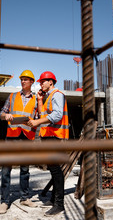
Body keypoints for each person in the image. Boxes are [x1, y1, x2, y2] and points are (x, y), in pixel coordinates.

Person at [27, 71, 69, 217]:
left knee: (56, 170)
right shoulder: (48, 97)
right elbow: (43, 114)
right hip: (48, 136)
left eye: (42, 82)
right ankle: (53, 199)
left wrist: (37, 122)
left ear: (50, 81)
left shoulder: (57, 94)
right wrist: (39, 100)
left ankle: (59, 204)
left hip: (55, 137)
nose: (40, 84)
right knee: (52, 169)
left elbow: (57, 115)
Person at [0, 70, 38, 214]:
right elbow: (1, 114)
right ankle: (4, 201)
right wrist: (6, 115)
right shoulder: (13, 96)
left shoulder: (36, 99)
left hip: (27, 136)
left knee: (25, 169)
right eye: (22, 79)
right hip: (12, 135)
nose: (23, 81)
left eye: (26, 79)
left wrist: (34, 123)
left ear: (32, 82)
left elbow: (39, 118)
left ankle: (24, 198)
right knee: (6, 169)